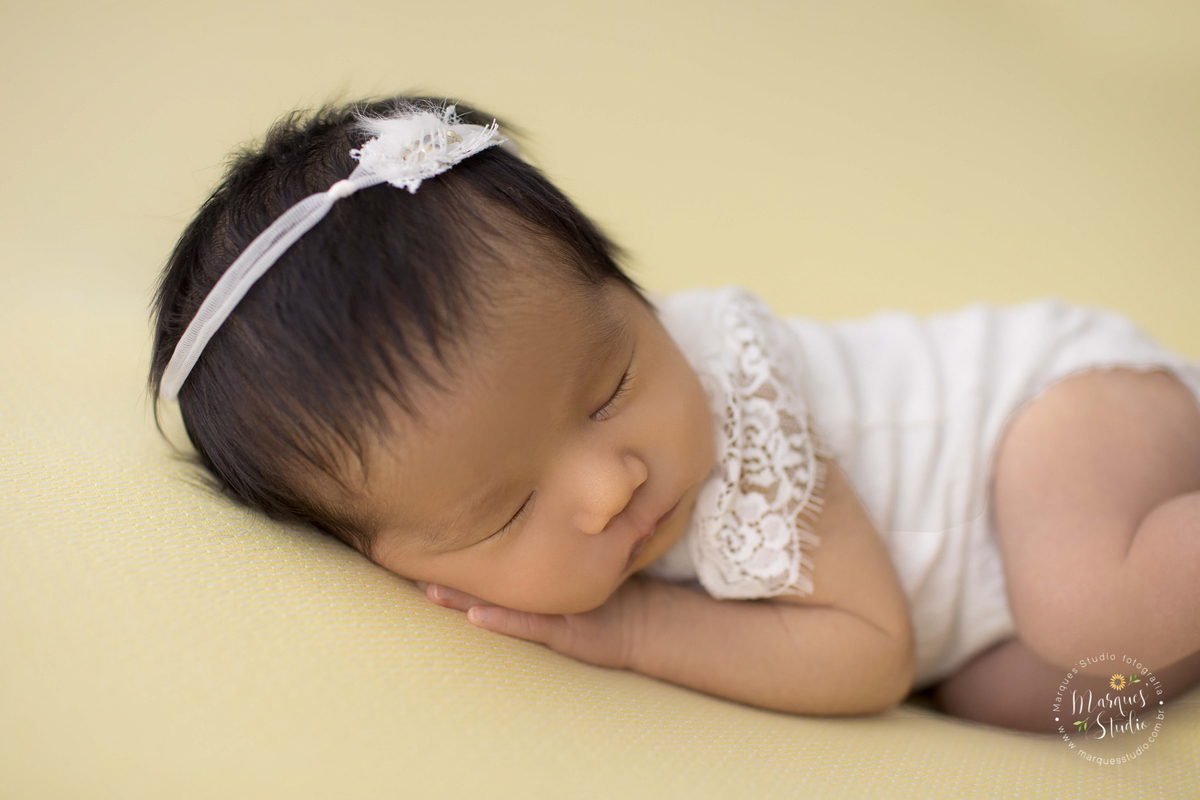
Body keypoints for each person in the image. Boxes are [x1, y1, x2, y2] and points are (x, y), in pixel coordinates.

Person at [149, 95, 1200, 733]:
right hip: (980, 606)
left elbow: (873, 654)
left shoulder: (739, 394)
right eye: (505, 511)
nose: (612, 484)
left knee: (1084, 609)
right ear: (382, 558)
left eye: (611, 386)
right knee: (1029, 699)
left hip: (1055, 415)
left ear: (634, 297)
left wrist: (638, 628)